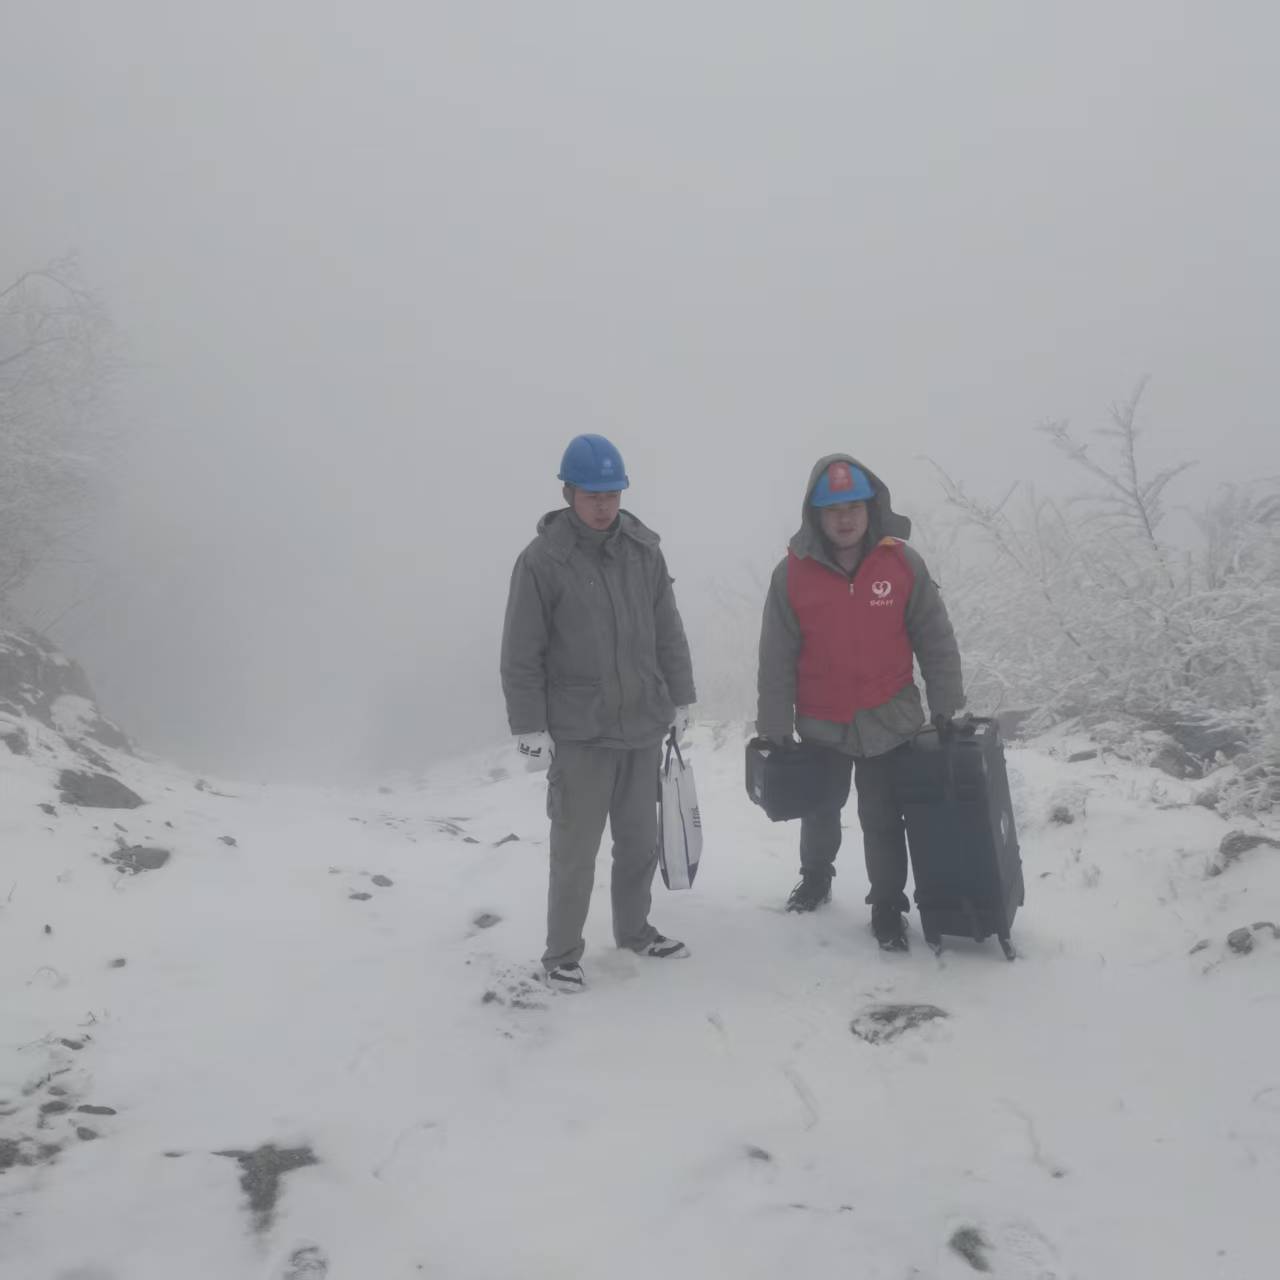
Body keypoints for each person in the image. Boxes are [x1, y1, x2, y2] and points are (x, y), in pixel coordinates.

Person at [500, 434, 697, 991]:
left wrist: (681, 697)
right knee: (575, 851)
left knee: (639, 842)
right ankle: (561, 954)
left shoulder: (644, 551)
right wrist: (530, 726)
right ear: (568, 493)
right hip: (581, 733)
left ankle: (635, 930)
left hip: (640, 726)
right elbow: (521, 651)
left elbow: (668, 632)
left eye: (612, 492)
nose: (604, 504)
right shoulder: (542, 561)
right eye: (592, 494)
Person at [755, 454, 964, 950]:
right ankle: (816, 877)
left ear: (871, 508)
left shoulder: (902, 563)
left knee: (883, 816)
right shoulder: (792, 574)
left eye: (853, 506)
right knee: (820, 808)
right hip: (822, 720)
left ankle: (888, 905)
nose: (844, 518)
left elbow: (934, 638)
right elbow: (776, 654)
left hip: (889, 717)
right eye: (833, 509)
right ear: (816, 515)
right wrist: (774, 722)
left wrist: (945, 702)